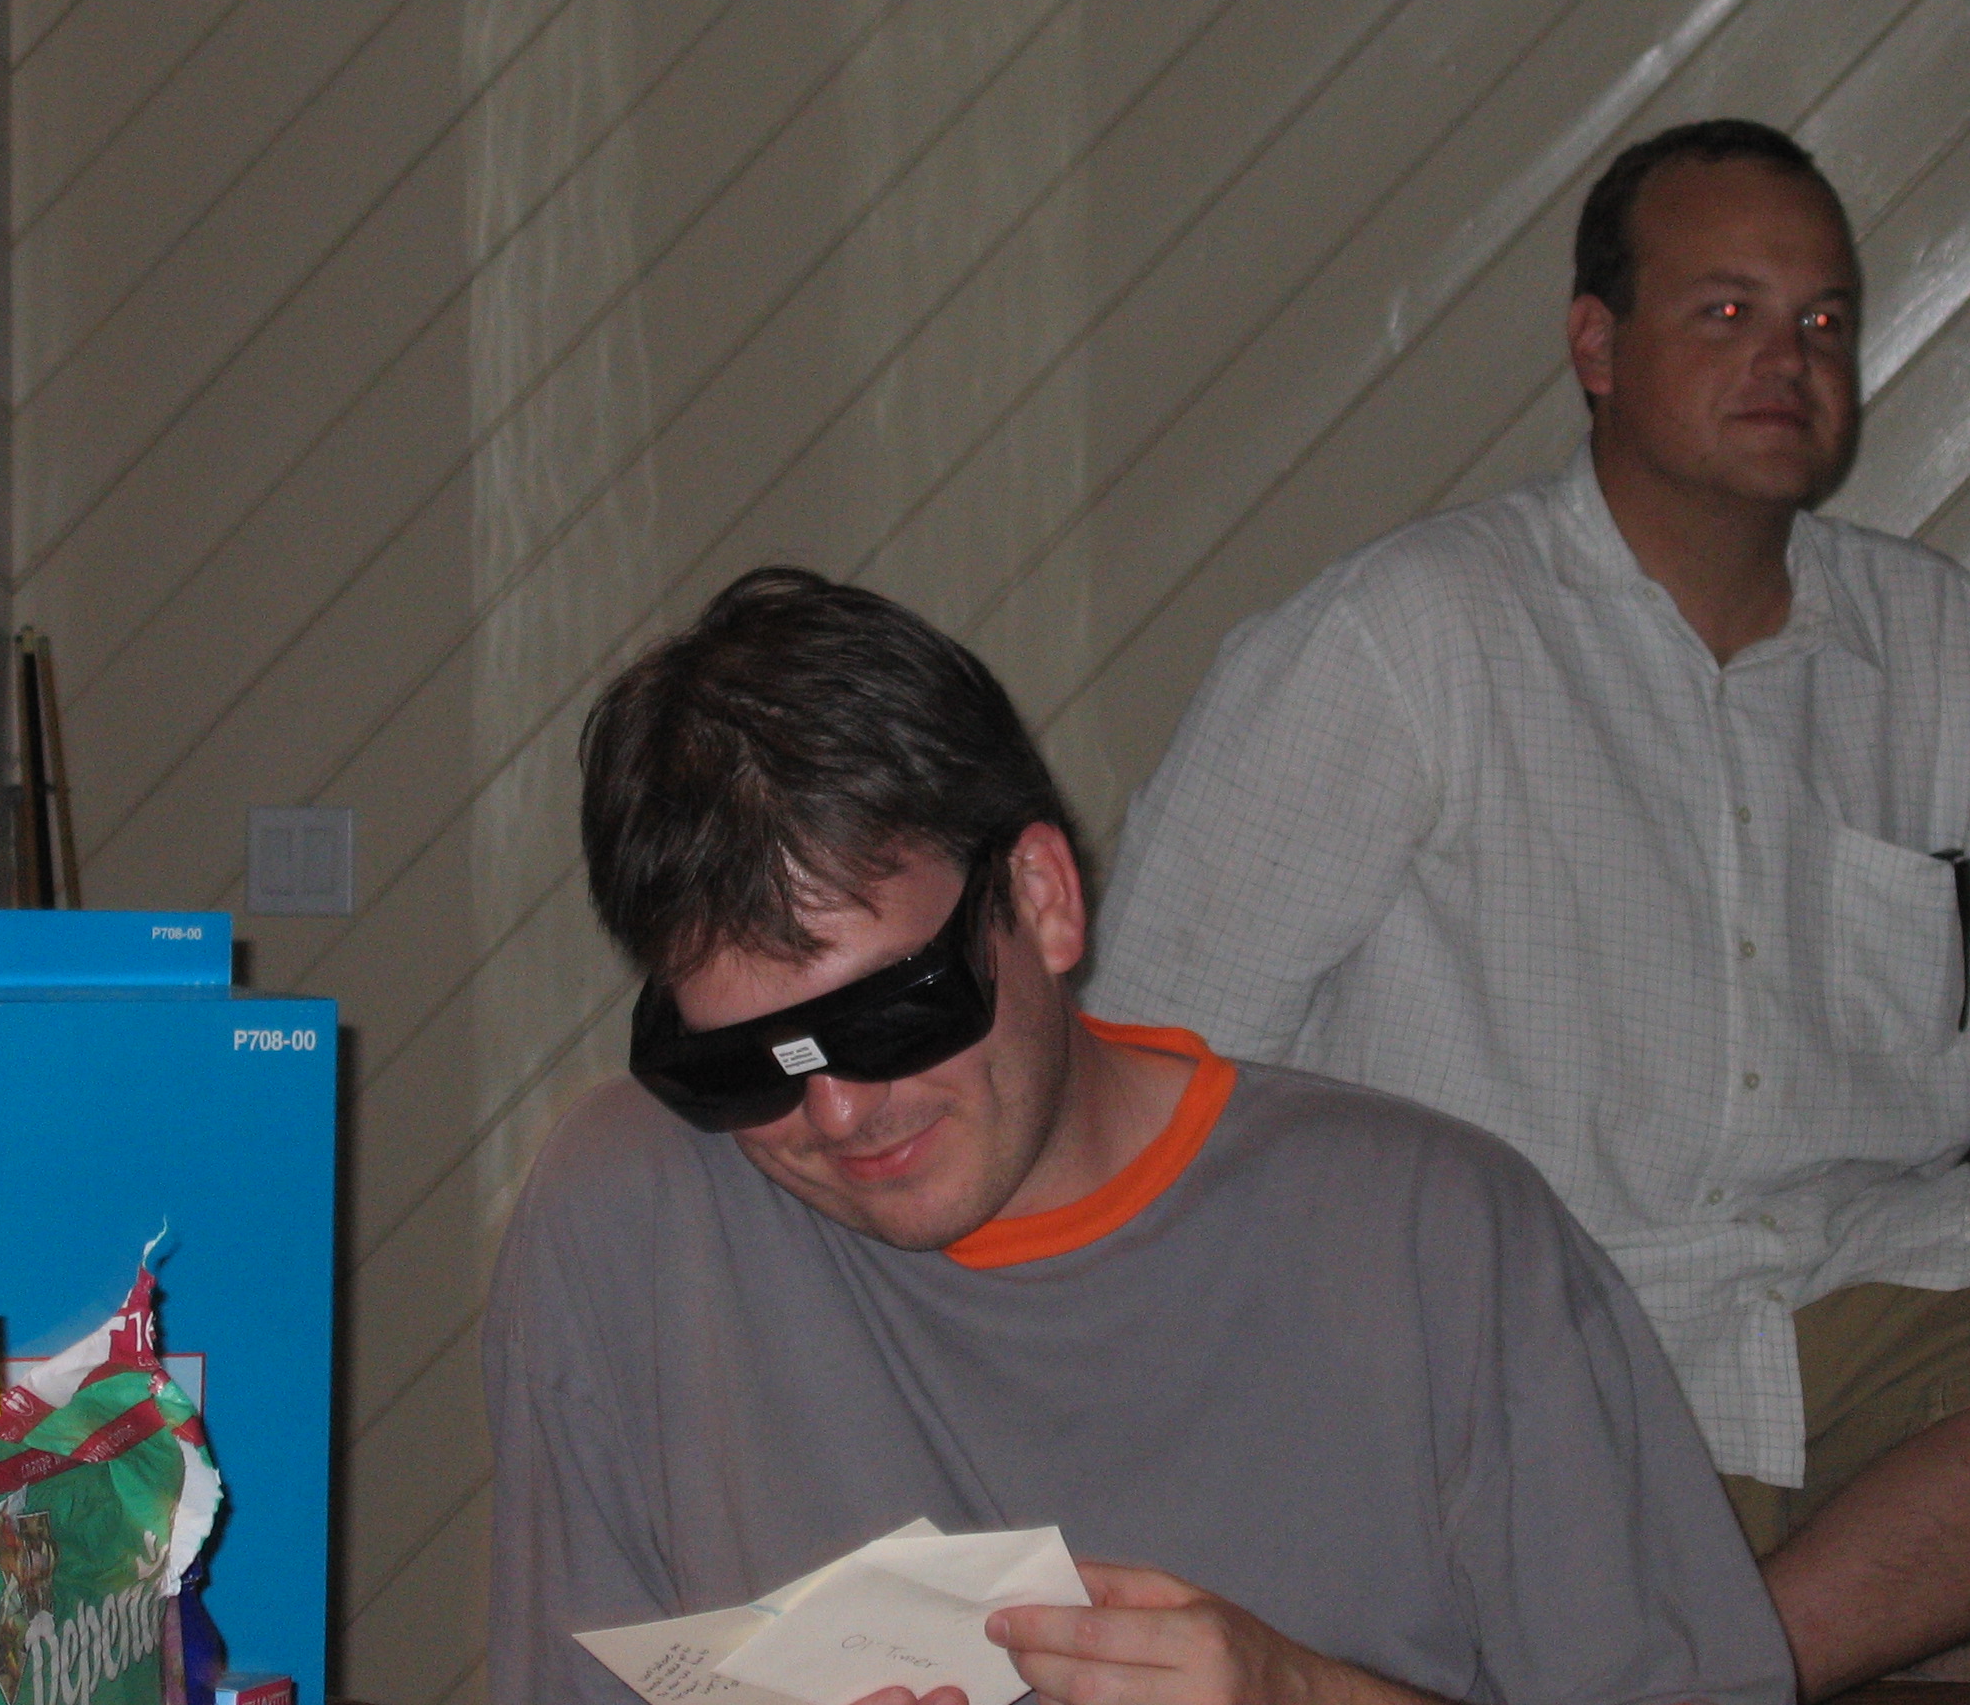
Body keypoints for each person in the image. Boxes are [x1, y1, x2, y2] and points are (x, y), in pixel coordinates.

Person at [1086, 119, 1970, 1696]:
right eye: (1725, 311)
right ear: (1597, 347)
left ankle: (1699, 1679)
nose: (1787, 358)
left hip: (1851, 1306)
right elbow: (1156, 1051)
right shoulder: (1408, 636)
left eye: (1824, 319)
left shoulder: (1938, 649)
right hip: (1517, 1347)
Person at [486, 568, 1793, 1705]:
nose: (835, 1112)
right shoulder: (628, 1210)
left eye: (887, 1015)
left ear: (1041, 898)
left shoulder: (1435, 1241)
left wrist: (1307, 1697)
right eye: (742, 1065)